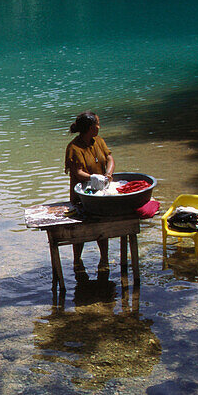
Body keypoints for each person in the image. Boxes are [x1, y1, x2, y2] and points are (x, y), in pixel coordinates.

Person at [64, 111, 115, 274]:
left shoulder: (99, 141)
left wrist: (107, 174)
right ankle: (77, 261)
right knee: (80, 231)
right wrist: (92, 177)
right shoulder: (74, 147)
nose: (99, 127)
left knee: (102, 227)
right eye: (97, 124)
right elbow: (77, 172)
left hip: (101, 194)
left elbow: (109, 159)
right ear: (90, 128)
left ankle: (104, 259)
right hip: (81, 196)